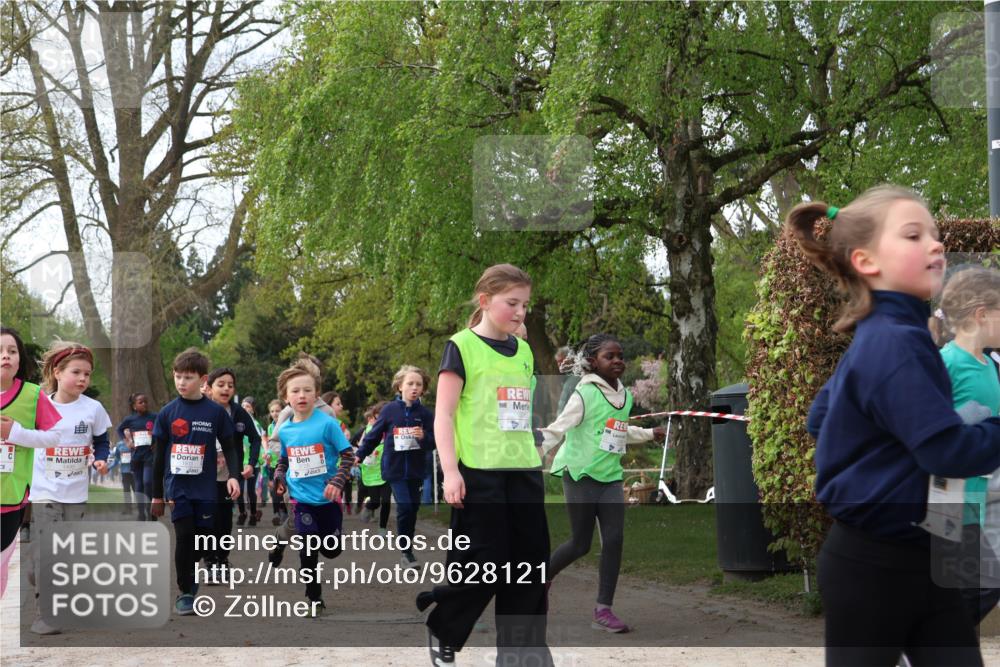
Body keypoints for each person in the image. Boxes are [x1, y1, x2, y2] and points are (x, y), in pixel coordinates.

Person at [787, 186, 1000, 666]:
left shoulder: (888, 336)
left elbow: (820, 418)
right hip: (872, 569)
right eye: (913, 235)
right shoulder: (894, 342)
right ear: (866, 261)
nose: (936, 243)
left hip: (923, 555)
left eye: (936, 234)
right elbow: (947, 452)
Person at [417, 264, 552, 666]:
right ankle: (444, 628)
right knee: (482, 563)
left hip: (524, 470)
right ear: (485, 301)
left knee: (530, 566)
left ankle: (521, 655)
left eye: (525, 305)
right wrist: (450, 471)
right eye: (512, 303)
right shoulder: (460, 347)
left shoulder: (525, 350)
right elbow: (443, 415)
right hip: (477, 471)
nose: (520, 312)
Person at [540, 333, 666, 633]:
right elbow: (559, 428)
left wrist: (649, 434)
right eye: (610, 356)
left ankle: (603, 610)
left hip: (610, 476)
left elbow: (618, 431)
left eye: (620, 355)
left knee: (614, 540)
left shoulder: (625, 395)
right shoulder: (584, 394)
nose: (618, 360)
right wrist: (531, 454)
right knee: (580, 543)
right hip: (580, 475)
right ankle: (540, 580)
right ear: (593, 362)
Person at [929, 267, 1000, 626]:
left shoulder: (991, 364)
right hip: (948, 498)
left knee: (982, 587)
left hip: (982, 500)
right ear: (981, 315)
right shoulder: (946, 362)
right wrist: (961, 421)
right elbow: (927, 426)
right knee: (967, 589)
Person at [28, 342, 112, 634]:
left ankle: (40, 575)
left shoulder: (93, 409)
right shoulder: (39, 404)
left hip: (76, 493)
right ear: (57, 372)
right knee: (47, 554)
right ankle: (45, 614)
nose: (83, 379)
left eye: (87, 374)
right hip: (44, 491)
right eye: (76, 372)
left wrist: (101, 460)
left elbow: (102, 441)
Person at [150, 348, 241, 615]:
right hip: (177, 488)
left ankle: (193, 572)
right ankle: (185, 592)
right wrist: (157, 495)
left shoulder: (215, 413)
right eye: (177, 376)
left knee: (202, 538)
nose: (181, 382)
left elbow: (231, 447)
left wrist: (234, 476)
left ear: (202, 381)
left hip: (207, 487)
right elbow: (157, 459)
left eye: (187, 377)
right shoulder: (167, 413)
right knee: (185, 536)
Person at [272, 360, 354, 615]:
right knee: (307, 547)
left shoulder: (327, 423)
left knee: (331, 550)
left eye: (307, 390)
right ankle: (314, 598)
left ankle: (305, 542)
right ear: (286, 397)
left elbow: (348, 455)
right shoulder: (285, 430)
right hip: (301, 499)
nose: (301, 395)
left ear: (316, 394)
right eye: (295, 391)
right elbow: (284, 459)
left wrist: (337, 481)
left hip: (327, 499)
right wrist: (279, 476)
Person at [0, 327, 62, 600]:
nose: (5, 357)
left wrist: (15, 434)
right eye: (0, 351)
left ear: (20, 359)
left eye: (12, 351)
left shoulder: (31, 394)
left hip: (10, 496)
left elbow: (54, 437)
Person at [356, 366, 436, 568]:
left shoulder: (426, 414)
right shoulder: (390, 410)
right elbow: (374, 435)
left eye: (419, 384)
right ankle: (406, 552)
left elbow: (436, 441)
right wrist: (359, 455)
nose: (414, 387)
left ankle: (407, 548)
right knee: (405, 506)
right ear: (399, 386)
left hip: (417, 470)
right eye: (410, 383)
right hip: (395, 469)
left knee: (413, 510)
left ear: (424, 389)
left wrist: (424, 436)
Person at [266, 354, 338, 566]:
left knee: (318, 528)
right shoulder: (288, 411)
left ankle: (283, 537)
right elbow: (275, 442)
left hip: (322, 481)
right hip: (297, 481)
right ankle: (281, 541)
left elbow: (334, 443)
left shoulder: (328, 412)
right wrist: (291, 458)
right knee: (300, 527)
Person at [202, 368, 261, 580]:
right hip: (204, 476)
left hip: (229, 477)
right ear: (209, 387)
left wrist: (251, 464)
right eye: (221, 384)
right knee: (207, 519)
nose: (226, 388)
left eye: (230, 385)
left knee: (225, 520)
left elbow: (255, 439)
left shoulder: (238, 412)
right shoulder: (201, 410)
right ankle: (209, 561)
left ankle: (222, 559)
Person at [116, 393, 157, 520]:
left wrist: (156, 442)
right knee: (139, 485)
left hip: (149, 455)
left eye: (145, 401)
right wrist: (127, 441)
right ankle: (141, 513)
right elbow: (119, 429)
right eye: (140, 402)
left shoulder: (154, 416)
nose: (144, 404)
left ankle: (150, 510)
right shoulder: (130, 419)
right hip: (136, 456)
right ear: (134, 406)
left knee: (148, 482)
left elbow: (161, 429)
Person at [357, 401, 392, 533]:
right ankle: (368, 505)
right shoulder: (369, 430)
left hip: (387, 469)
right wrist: (358, 457)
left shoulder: (391, 429)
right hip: (371, 470)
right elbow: (361, 446)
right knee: (376, 502)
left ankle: (382, 527)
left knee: (387, 501)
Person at [238, 396, 265, 526]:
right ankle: (242, 513)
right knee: (238, 489)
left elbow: (261, 441)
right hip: (239, 461)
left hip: (252, 462)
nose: (244, 408)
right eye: (242, 406)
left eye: (248, 406)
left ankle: (253, 514)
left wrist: (265, 454)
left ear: (253, 410)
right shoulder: (237, 422)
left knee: (250, 490)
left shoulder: (256, 424)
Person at [266, 399, 285, 525]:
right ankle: (276, 513)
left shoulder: (287, 424)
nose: (275, 413)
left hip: (284, 463)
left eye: (277, 411)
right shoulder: (270, 427)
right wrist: (267, 454)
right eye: (272, 411)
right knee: (274, 491)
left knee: (282, 490)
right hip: (273, 463)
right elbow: (271, 444)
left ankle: (284, 512)